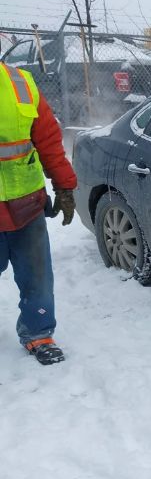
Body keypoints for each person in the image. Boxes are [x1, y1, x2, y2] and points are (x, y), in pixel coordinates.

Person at [0, 62, 77, 365]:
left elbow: (47, 139)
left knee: (37, 276)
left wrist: (65, 187)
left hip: (25, 205)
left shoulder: (20, 82)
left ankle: (38, 333)